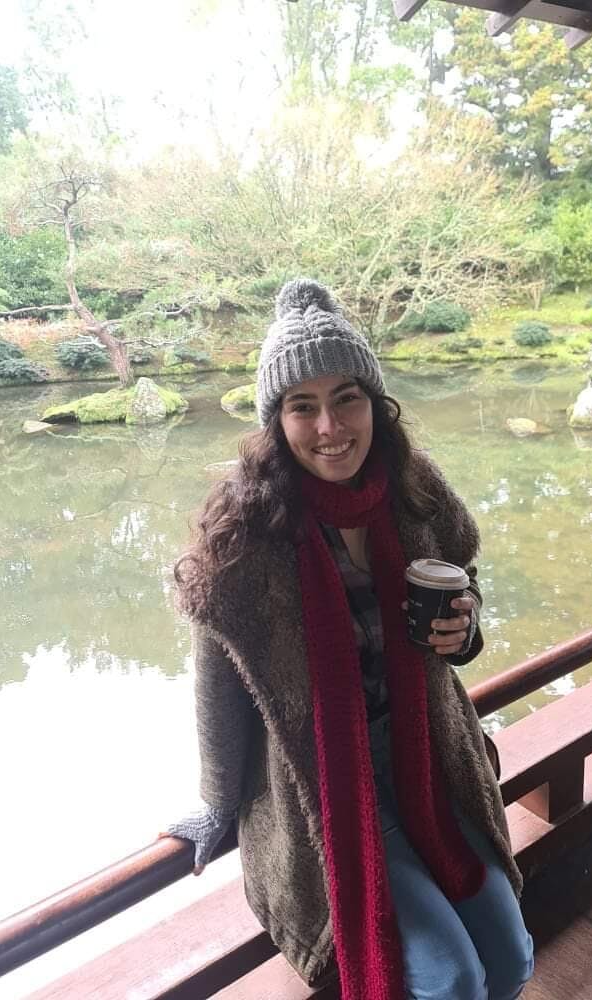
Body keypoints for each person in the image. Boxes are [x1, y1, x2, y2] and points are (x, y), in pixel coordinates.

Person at [165, 279, 534, 1000]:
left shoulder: (415, 491)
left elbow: (464, 593)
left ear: (375, 403)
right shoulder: (245, 532)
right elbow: (219, 684)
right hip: (326, 784)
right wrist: (216, 805)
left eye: (347, 398)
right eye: (302, 406)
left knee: (512, 955)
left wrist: (465, 632)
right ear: (276, 420)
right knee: (451, 977)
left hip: (429, 757)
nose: (330, 426)